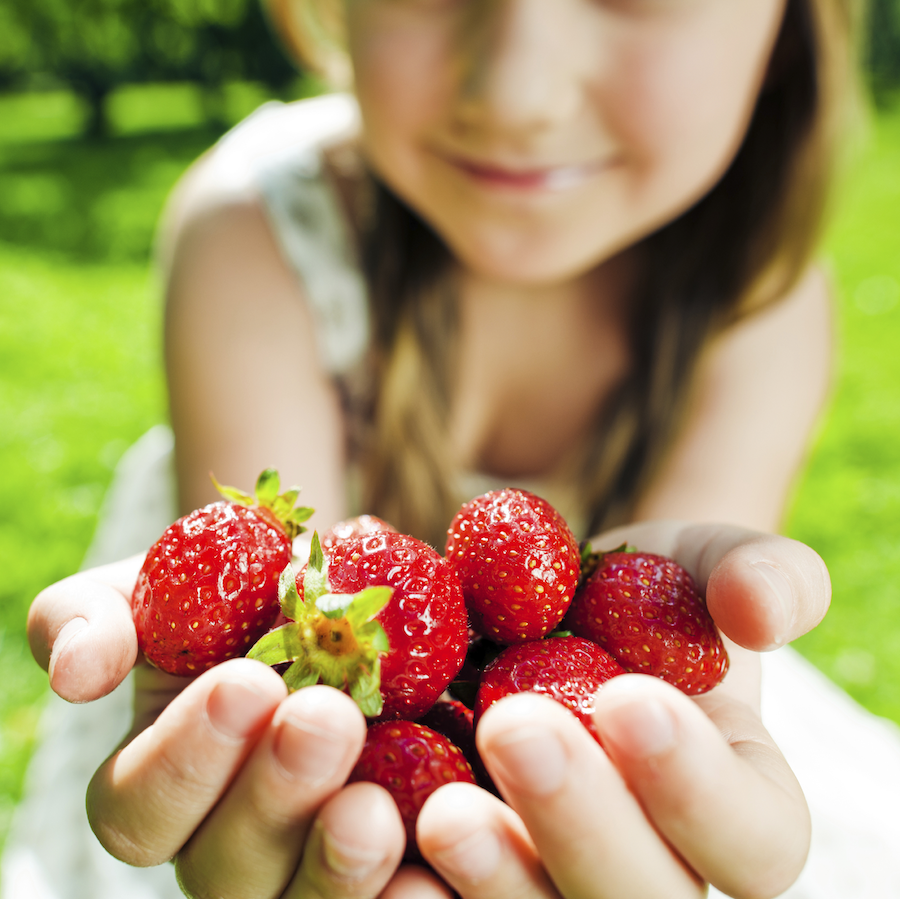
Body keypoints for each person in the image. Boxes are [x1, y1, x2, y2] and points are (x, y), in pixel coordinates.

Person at [6, 0, 900, 897]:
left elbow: (678, 660)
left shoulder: (758, 309)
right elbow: (291, 631)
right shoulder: (255, 234)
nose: (517, 94)